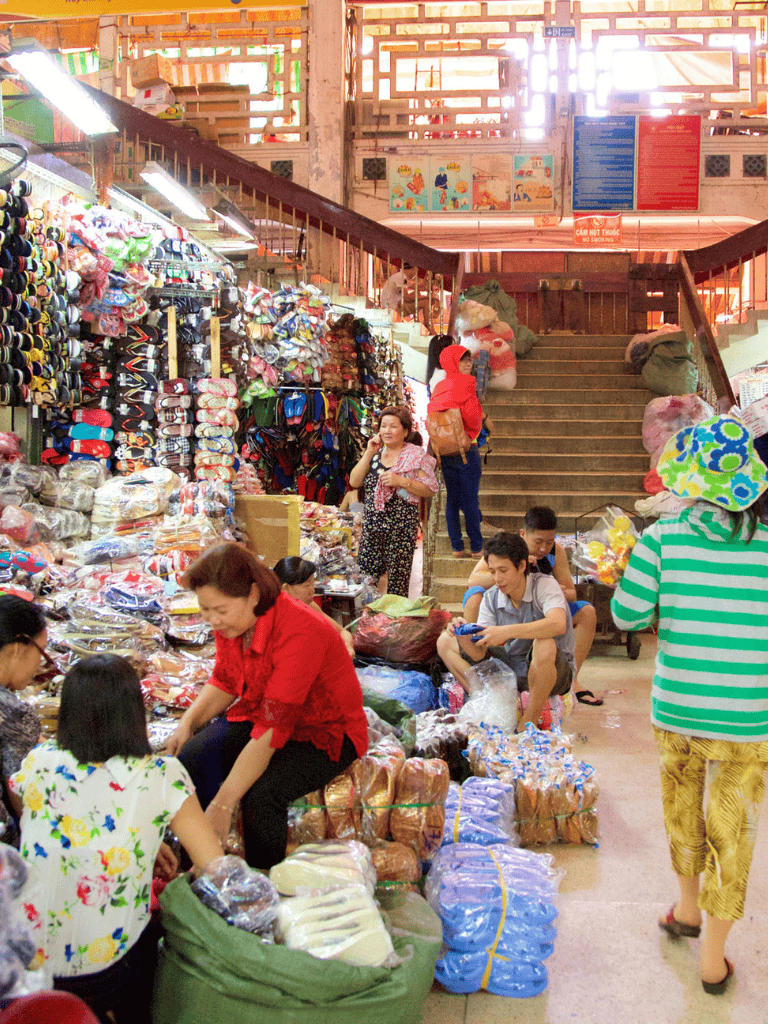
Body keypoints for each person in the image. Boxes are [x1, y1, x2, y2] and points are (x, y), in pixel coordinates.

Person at [612, 414, 768, 996]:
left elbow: (626, 616)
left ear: (691, 481)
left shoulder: (662, 539)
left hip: (679, 709)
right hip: (750, 715)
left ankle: (686, 908)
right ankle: (713, 957)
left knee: (682, 809)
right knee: (735, 829)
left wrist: (631, 568)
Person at [8, 654, 222, 1024]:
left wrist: (141, 844)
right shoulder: (161, 774)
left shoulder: (39, 760)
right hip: (105, 967)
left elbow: (30, 813)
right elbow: (213, 863)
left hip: (27, 960)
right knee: (160, 929)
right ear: (134, 712)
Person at [166, 543, 369, 869]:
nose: (212, 620)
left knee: (260, 797)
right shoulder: (233, 621)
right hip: (261, 710)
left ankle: (262, 888)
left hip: (324, 730)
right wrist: (188, 723)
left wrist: (222, 804)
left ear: (254, 595)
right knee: (191, 758)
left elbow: (272, 731)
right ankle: (193, 866)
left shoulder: (301, 631)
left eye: (219, 610)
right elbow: (225, 680)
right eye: (205, 610)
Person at [437, 532, 575, 730]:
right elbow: (478, 652)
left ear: (521, 566)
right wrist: (463, 635)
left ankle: (528, 721)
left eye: (503, 570)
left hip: (552, 671)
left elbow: (557, 624)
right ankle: (487, 700)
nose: (497, 578)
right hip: (514, 668)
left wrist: (507, 631)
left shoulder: (545, 585)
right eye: (492, 572)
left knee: (544, 643)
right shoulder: (492, 597)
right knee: (444, 642)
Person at [462, 506, 600, 704]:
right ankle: (477, 660)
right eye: (538, 542)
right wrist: (510, 575)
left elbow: (571, 592)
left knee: (587, 611)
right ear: (523, 534)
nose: (544, 548)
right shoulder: (506, 549)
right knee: (474, 596)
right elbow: (474, 579)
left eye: (549, 542)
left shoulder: (555, 553)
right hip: (508, 606)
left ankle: (571, 681)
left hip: (541, 606)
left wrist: (554, 592)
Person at [350, 405, 438, 596]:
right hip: (373, 528)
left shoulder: (415, 456)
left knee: (398, 582)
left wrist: (402, 481)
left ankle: (395, 623)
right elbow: (354, 481)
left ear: (405, 431)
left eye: (393, 427)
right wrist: (368, 453)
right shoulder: (375, 455)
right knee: (367, 578)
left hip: (401, 528)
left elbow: (430, 488)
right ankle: (370, 621)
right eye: (383, 426)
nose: (387, 431)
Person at [0, 596, 49, 848]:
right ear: (18, 648)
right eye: (41, 653)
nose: (40, 666)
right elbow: (19, 790)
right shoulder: (16, 713)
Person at [427, 344, 485, 558]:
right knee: (470, 498)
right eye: (464, 360)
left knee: (452, 498)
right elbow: (472, 417)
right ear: (453, 362)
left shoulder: (439, 387)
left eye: (469, 360)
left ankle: (457, 547)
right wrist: (473, 431)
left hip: (445, 450)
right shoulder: (468, 383)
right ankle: (477, 547)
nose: (469, 364)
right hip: (465, 448)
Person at [273, 556, 355, 658]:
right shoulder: (271, 616)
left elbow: (342, 632)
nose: (313, 591)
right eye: (307, 585)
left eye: (313, 584)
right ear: (285, 588)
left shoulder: (309, 605)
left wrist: (347, 646)